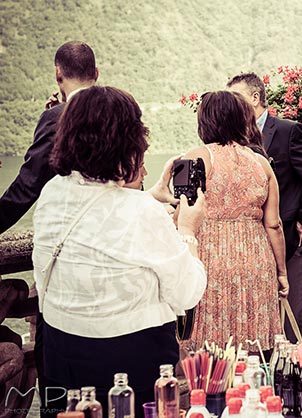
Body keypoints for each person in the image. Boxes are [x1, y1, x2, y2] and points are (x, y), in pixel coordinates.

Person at [31, 86, 207, 418]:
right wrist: (187, 230)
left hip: (59, 353)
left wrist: (149, 196)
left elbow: (101, 217)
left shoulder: (52, 193)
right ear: (126, 143)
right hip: (131, 365)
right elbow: (187, 293)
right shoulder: (141, 212)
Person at [181, 90, 289, 352]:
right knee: (252, 347)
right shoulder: (261, 163)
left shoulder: (194, 158)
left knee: (209, 346)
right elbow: (274, 224)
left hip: (210, 259)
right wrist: (281, 272)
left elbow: (181, 214)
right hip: (255, 260)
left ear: (204, 121)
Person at [227, 73, 302, 342]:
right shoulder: (236, 138)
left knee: (291, 313)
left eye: (236, 98)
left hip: (291, 237)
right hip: (252, 241)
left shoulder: (287, 131)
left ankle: (295, 374)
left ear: (255, 97)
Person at [0, 41, 98, 233]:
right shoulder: (123, 107)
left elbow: (28, 186)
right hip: (117, 226)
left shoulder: (55, 118)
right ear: (96, 73)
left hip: (77, 231)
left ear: (58, 73)